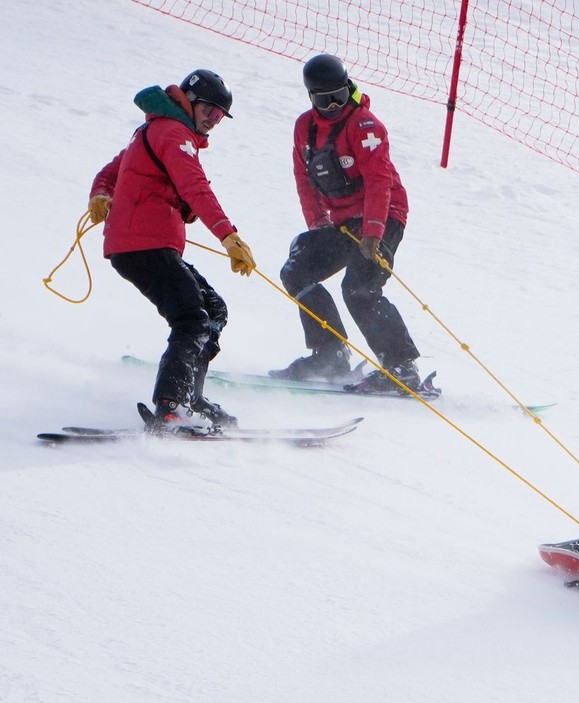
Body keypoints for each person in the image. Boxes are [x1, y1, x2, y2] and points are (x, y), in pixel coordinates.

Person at [87, 69, 256, 429]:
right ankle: (172, 405)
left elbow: (111, 172)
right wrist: (229, 237)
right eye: (209, 110)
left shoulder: (154, 130)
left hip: (145, 245)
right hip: (142, 245)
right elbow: (195, 187)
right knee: (192, 319)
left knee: (212, 309)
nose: (212, 120)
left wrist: (101, 194)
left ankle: (188, 398)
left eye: (219, 116)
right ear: (190, 101)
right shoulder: (174, 133)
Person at [269, 54, 421, 393]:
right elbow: (304, 179)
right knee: (297, 270)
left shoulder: (364, 125)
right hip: (340, 222)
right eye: (324, 99)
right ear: (311, 97)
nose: (334, 104)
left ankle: (402, 369)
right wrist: (318, 224)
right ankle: (330, 353)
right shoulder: (304, 127)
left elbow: (380, 181)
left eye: (340, 94)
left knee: (359, 286)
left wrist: (373, 233)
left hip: (382, 215)